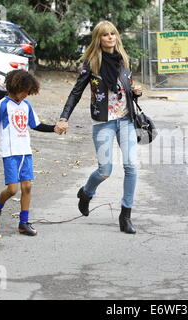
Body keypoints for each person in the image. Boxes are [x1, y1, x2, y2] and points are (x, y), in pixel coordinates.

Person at [55, 20, 142, 234]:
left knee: (131, 166)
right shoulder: (91, 64)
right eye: (105, 34)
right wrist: (64, 117)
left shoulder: (123, 60)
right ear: (99, 38)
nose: (110, 37)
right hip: (103, 122)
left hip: (126, 120)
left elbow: (127, 88)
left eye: (113, 33)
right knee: (105, 170)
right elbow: (76, 92)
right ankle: (86, 192)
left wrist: (136, 90)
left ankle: (125, 215)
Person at [0, 70, 59, 236]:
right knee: (12, 190)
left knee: (27, 187)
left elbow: (36, 125)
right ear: (15, 87)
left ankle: (23, 223)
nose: (26, 95)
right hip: (10, 153)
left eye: (28, 92)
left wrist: (54, 128)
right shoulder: (2, 105)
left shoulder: (26, 106)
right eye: (24, 91)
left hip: (25, 151)